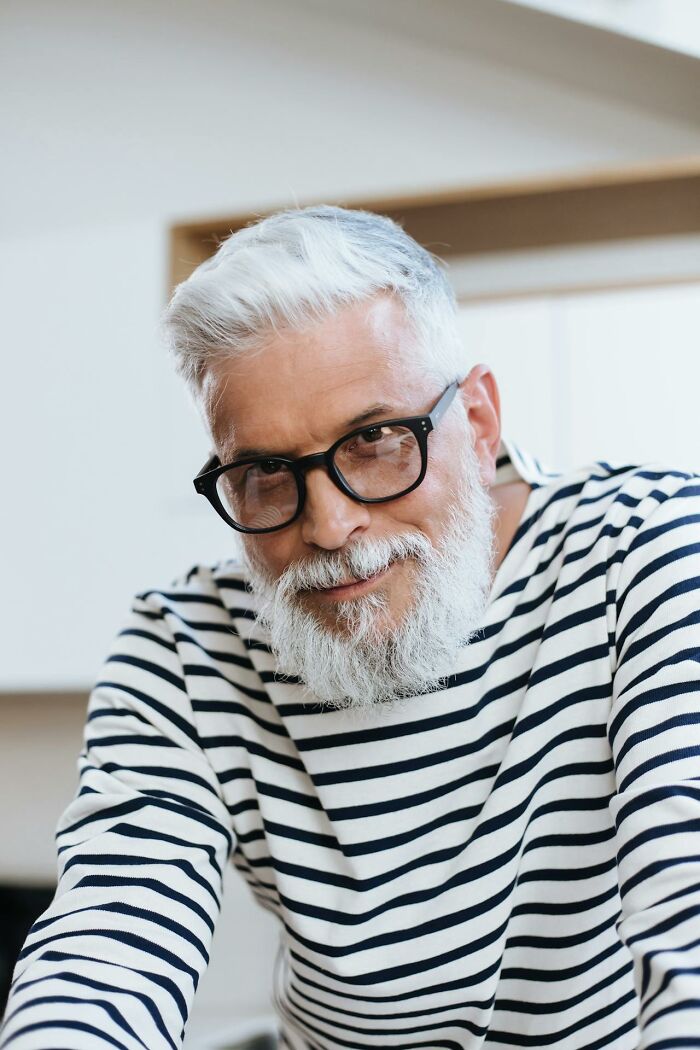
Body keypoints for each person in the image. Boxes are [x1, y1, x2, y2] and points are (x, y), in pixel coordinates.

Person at [2, 206, 699, 1050]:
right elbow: (104, 952)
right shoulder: (188, 649)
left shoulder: (649, 553)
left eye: (374, 440)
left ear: (477, 425)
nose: (329, 527)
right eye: (264, 472)